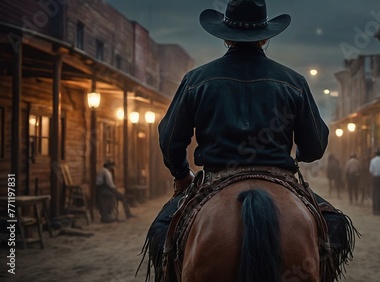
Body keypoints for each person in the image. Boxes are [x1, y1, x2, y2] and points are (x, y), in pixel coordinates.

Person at [142, 1, 356, 280]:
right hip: (280, 175)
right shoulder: (294, 82)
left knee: (161, 229)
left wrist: (182, 175)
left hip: (215, 177)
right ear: (266, 37)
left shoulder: (196, 80)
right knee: (335, 223)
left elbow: (170, 139)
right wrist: (298, 153)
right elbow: (315, 146)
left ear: (225, 36)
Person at [369, 148, 380, 215]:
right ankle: (379, 209)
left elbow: (371, 170)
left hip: (375, 178)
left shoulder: (372, 161)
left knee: (374, 193)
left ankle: (374, 209)